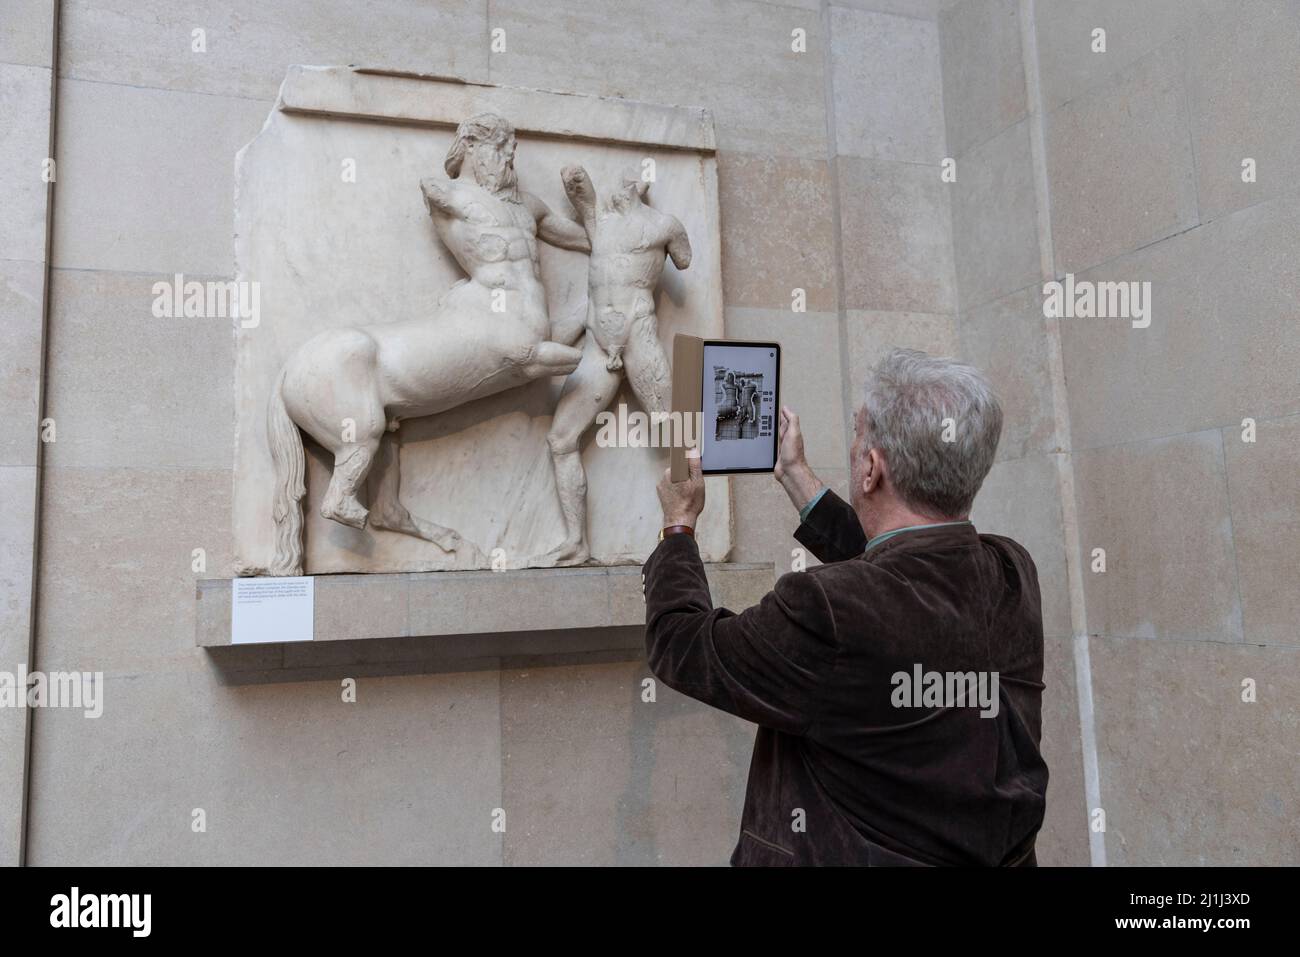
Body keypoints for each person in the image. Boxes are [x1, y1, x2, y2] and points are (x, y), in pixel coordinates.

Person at [643, 348, 1048, 866]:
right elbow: (901, 573)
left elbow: (682, 644)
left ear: (871, 470)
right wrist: (796, 476)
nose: (855, 447)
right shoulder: (1012, 571)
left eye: (858, 437)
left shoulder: (824, 608)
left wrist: (678, 525)